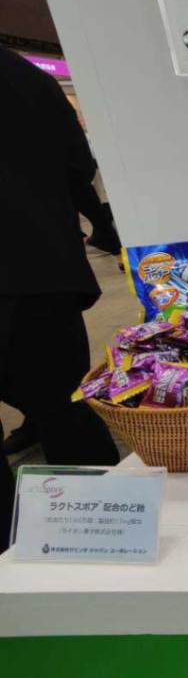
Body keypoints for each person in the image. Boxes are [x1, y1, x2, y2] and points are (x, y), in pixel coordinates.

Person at [0, 46, 120, 552]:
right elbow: (78, 164)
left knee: (59, 404)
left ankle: (10, 562)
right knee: (64, 407)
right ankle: (104, 538)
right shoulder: (26, 75)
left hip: (37, 266)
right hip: (41, 266)